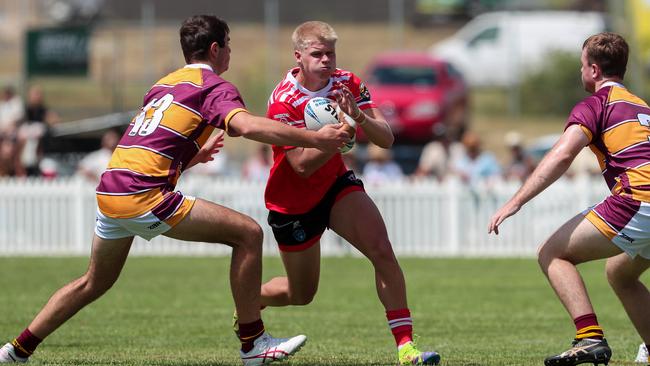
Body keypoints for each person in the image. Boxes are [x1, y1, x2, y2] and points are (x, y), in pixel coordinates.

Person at [0, 15, 350, 365]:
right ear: (215, 49)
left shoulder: (164, 84)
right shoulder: (213, 87)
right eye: (228, 45)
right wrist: (314, 137)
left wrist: (192, 157)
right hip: (143, 195)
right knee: (248, 234)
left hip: (111, 189)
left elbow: (149, 142)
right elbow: (245, 126)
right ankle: (253, 344)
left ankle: (17, 350)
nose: (230, 52)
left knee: (93, 281)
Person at [252, 21, 440, 365]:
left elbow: (386, 138)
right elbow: (301, 165)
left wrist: (359, 119)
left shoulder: (347, 82)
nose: (326, 60)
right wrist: (343, 132)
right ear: (298, 56)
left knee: (382, 251)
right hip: (292, 203)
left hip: (336, 186)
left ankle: (406, 348)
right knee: (301, 293)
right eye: (317, 54)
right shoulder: (283, 100)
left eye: (331, 53)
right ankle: (249, 300)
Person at [488, 32, 650, 366]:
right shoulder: (640, 105)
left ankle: (589, 337)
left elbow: (562, 156)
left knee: (552, 253)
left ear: (593, 70)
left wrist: (514, 202)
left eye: (580, 66)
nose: (580, 73)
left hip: (637, 200)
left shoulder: (596, 104)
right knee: (620, 274)